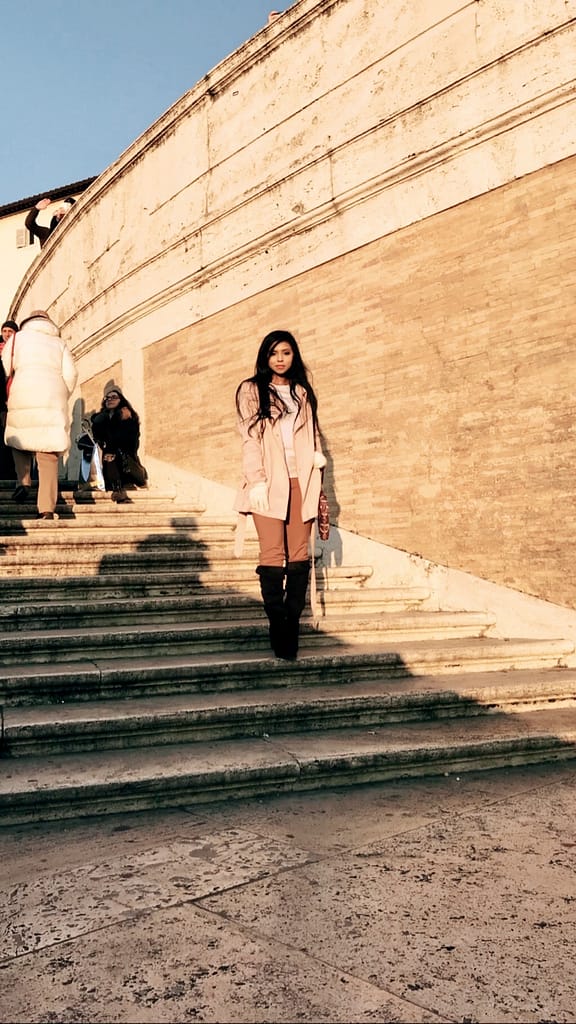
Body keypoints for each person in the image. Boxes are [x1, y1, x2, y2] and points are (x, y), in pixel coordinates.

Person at [235, 329, 326, 660]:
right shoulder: (251, 391)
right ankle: (279, 625)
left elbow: (312, 435)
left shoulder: (302, 392)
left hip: (301, 480)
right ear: (265, 357)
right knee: (273, 555)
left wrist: (317, 460)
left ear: (294, 355)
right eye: (274, 353)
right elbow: (249, 440)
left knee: (299, 556)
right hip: (268, 484)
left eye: (286, 353)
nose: (280, 359)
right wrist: (256, 480)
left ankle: (291, 622)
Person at [1, 310, 77, 519]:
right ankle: (46, 508)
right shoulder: (59, 343)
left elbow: (5, 368)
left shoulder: (17, 338)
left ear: (27, 321)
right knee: (48, 454)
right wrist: (62, 393)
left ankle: (23, 482)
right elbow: (71, 374)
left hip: (22, 392)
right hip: (52, 396)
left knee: (20, 440)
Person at [91, 385, 145, 504]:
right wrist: (101, 420)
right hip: (104, 461)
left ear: (121, 400)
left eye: (114, 397)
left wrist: (125, 421)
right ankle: (118, 491)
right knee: (108, 456)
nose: (110, 399)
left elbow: (130, 442)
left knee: (111, 456)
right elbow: (97, 438)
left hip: (125, 460)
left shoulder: (128, 417)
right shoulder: (101, 418)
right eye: (107, 398)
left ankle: (118, 490)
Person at [0, 320, 18, 479]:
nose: (6, 334)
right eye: (4, 331)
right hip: (2, 401)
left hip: (16, 398)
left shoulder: (19, 350)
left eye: (10, 331)